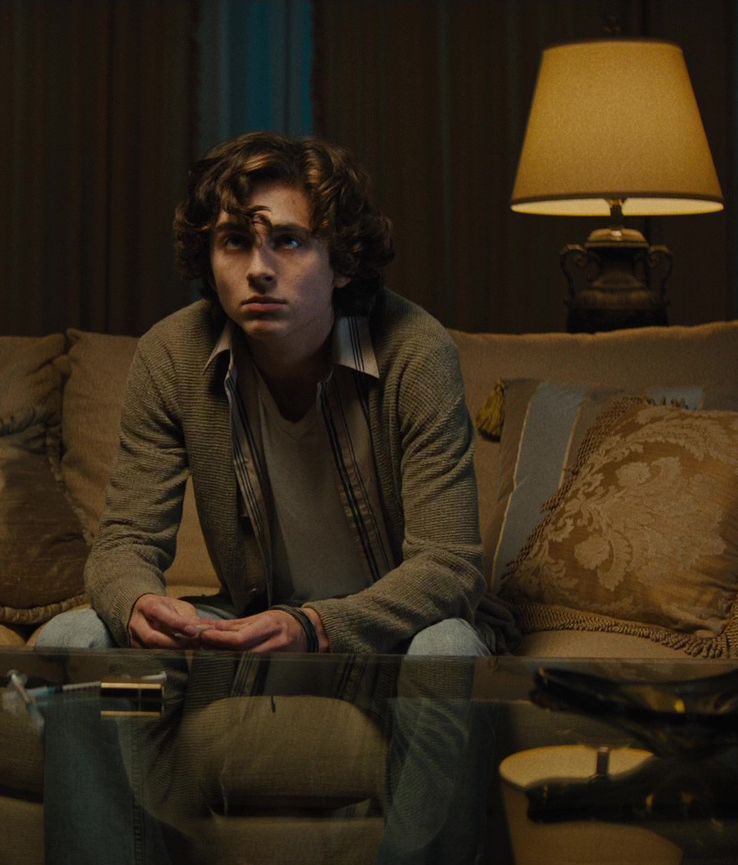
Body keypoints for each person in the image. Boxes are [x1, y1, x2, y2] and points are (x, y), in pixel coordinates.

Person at [39, 131, 515, 658]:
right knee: (70, 636)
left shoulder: (415, 351)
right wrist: (136, 602)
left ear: (343, 263)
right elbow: (124, 541)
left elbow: (449, 565)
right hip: (251, 622)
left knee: (445, 647)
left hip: (393, 631)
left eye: (289, 241)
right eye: (236, 242)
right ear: (210, 258)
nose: (259, 270)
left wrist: (314, 626)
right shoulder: (171, 355)